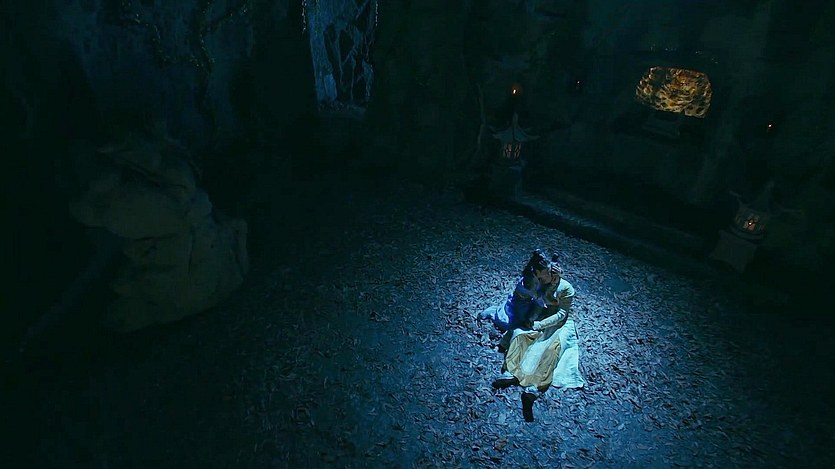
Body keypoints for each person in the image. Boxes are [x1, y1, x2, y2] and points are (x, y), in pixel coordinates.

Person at [479, 249, 575, 421]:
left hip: (558, 322)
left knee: (551, 349)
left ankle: (535, 386)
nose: (542, 280)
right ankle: (510, 372)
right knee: (519, 334)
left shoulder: (566, 288)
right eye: (541, 277)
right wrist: (531, 320)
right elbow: (534, 299)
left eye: (545, 277)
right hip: (540, 315)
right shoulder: (540, 283)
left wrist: (540, 324)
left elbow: (562, 314)